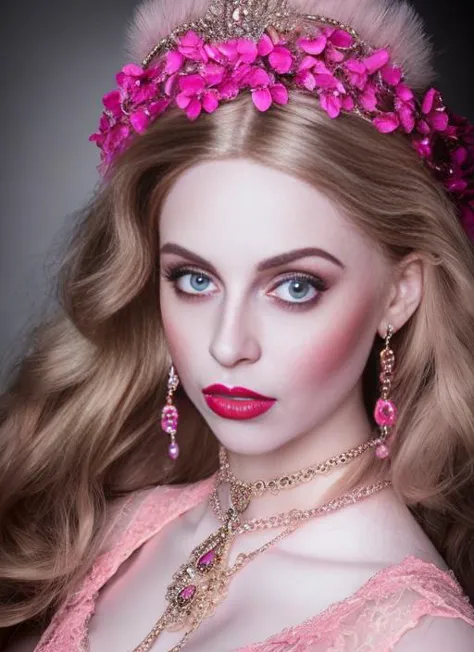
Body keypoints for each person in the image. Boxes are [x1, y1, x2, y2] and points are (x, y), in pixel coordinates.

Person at [2, 0, 474, 650]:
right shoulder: (110, 533)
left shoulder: (419, 637)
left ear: (400, 293)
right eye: (194, 280)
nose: (227, 345)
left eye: (294, 287)